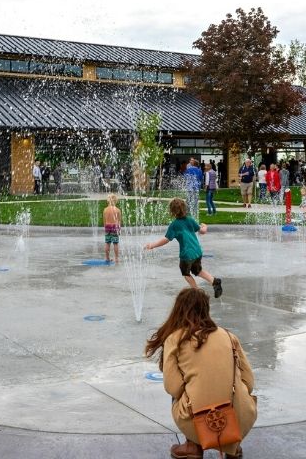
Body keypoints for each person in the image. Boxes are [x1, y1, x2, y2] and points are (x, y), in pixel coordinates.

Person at [144, 288, 256, 459]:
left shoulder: (175, 339)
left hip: (198, 420)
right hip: (238, 419)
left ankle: (192, 446)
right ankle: (232, 443)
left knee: (180, 392)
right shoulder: (229, 336)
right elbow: (249, 382)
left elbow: (173, 388)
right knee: (236, 388)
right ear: (206, 309)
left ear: (178, 310)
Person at [145, 198, 222, 298]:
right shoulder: (190, 220)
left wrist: (152, 245)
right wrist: (205, 227)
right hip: (197, 251)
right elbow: (202, 231)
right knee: (198, 271)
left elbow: (166, 239)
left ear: (172, 211)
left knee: (185, 273)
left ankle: (196, 292)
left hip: (186, 254)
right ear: (185, 209)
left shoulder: (174, 225)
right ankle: (215, 281)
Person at [103, 193, 121, 263]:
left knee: (107, 243)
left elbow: (104, 221)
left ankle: (107, 258)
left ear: (108, 201)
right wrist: (119, 230)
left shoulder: (105, 210)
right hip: (115, 227)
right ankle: (116, 258)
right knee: (115, 243)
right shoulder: (118, 210)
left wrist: (105, 228)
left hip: (107, 227)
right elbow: (119, 221)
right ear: (116, 201)